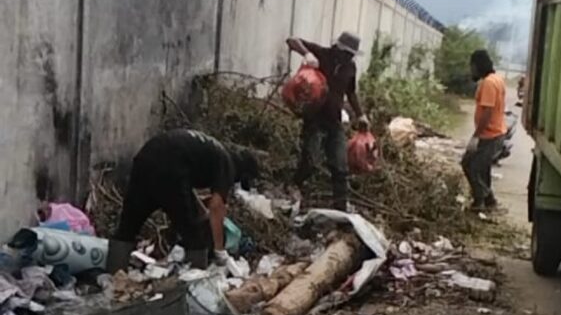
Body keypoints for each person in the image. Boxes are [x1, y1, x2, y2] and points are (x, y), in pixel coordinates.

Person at [106, 129, 259, 272]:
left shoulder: (211, 150)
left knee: (127, 228)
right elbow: (217, 206)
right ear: (242, 171)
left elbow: (185, 190)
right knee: (195, 238)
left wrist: (200, 212)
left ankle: (112, 280)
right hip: (171, 167)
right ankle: (196, 284)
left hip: (146, 157)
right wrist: (219, 250)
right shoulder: (228, 163)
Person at [286, 32, 370, 211]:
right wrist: (307, 54)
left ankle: (340, 208)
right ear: (338, 48)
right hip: (314, 118)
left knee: (340, 166)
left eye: (351, 54)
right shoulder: (322, 54)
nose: (349, 57)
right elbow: (292, 41)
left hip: (334, 121)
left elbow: (351, 92)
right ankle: (295, 184)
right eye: (346, 53)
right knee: (311, 160)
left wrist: (361, 114)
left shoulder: (350, 68)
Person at [462, 50, 508, 211]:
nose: (471, 70)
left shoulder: (488, 83)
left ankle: (480, 201)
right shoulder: (497, 79)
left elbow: (488, 111)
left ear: (477, 65)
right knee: (483, 167)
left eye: (472, 66)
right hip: (496, 132)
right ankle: (489, 201)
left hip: (490, 134)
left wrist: (476, 136)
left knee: (470, 165)